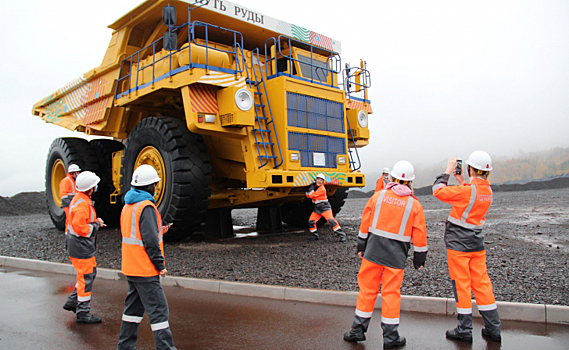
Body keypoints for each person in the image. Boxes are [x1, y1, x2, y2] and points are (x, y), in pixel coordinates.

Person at [344, 161, 427, 349]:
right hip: (396, 256)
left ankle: (357, 331)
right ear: (410, 181)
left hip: (372, 251)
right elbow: (419, 233)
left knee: (367, 291)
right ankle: (390, 338)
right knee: (390, 294)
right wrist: (419, 256)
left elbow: (365, 222)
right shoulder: (414, 205)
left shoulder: (378, 197)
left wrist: (361, 244)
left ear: (392, 178)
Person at [432, 151, 502, 343]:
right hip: (476, 245)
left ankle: (464, 330)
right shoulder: (487, 191)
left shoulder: (467, 191)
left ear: (471, 168)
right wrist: (463, 180)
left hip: (458, 246)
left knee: (461, 285)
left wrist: (447, 171)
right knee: (482, 284)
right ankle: (493, 328)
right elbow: (471, 198)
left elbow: (438, 191)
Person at [118, 164, 177, 350]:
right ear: (151, 186)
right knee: (159, 311)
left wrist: (159, 229)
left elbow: (136, 234)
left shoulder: (128, 206)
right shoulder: (147, 207)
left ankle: (125, 346)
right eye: (156, 185)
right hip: (145, 269)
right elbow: (150, 241)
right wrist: (160, 265)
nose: (156, 188)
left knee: (133, 311)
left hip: (131, 267)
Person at [63, 171, 105, 323]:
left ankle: (73, 302)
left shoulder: (80, 199)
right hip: (81, 246)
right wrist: (96, 225)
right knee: (86, 277)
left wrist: (95, 221)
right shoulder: (82, 204)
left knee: (88, 274)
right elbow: (81, 228)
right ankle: (83, 313)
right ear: (90, 188)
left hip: (80, 246)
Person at [306, 173, 346, 242]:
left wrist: (310, 189)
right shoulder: (316, 187)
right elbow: (308, 196)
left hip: (325, 208)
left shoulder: (322, 189)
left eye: (321, 180)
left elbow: (311, 196)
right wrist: (310, 189)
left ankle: (342, 235)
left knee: (331, 221)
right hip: (317, 208)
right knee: (311, 221)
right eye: (318, 179)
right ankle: (314, 236)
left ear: (323, 182)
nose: (319, 181)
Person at [60, 164, 81, 233]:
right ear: (72, 173)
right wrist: (69, 204)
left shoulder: (75, 181)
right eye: (77, 172)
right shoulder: (66, 181)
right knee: (69, 219)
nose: (78, 174)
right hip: (68, 204)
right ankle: (68, 233)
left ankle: (74, 233)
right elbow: (63, 195)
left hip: (74, 204)